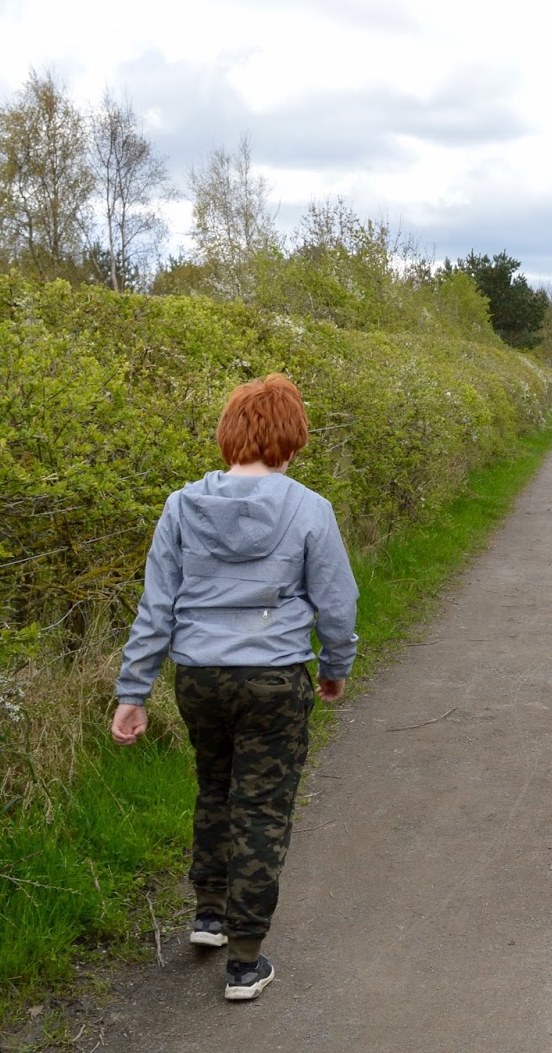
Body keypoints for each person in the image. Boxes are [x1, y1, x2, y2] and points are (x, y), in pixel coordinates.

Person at [110, 373, 358, 1002]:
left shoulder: (180, 506)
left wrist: (133, 692)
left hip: (199, 676)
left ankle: (210, 914)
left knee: (215, 786)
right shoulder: (309, 508)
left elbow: (156, 606)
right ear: (292, 438)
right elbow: (337, 603)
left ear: (229, 434)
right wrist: (335, 666)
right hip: (274, 677)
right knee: (263, 806)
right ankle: (246, 960)